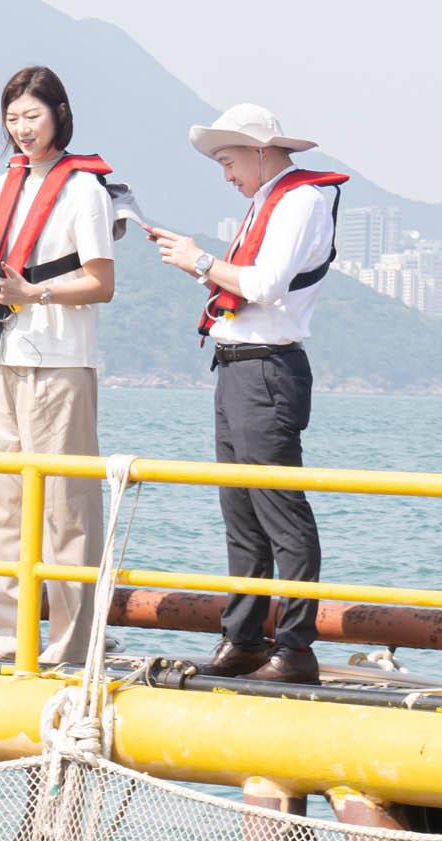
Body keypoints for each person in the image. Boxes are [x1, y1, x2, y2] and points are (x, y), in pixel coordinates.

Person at [149, 105, 347, 684]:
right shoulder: (270, 200)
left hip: (266, 370)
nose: (226, 175)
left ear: (260, 150)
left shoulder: (301, 202)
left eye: (228, 160)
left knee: (280, 512)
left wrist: (201, 260)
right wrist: (200, 264)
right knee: (242, 515)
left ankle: (295, 648)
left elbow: (262, 284)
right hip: (238, 365)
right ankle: (244, 639)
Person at [0, 65, 117, 668]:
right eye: (12, 118)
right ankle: (2, 636)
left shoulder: (85, 191)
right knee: (2, 501)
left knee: (68, 509)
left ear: (59, 115)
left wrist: (34, 293)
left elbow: (101, 282)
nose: (21, 128)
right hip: (0, 358)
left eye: (32, 115)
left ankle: (73, 644)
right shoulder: (0, 188)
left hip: (61, 361)